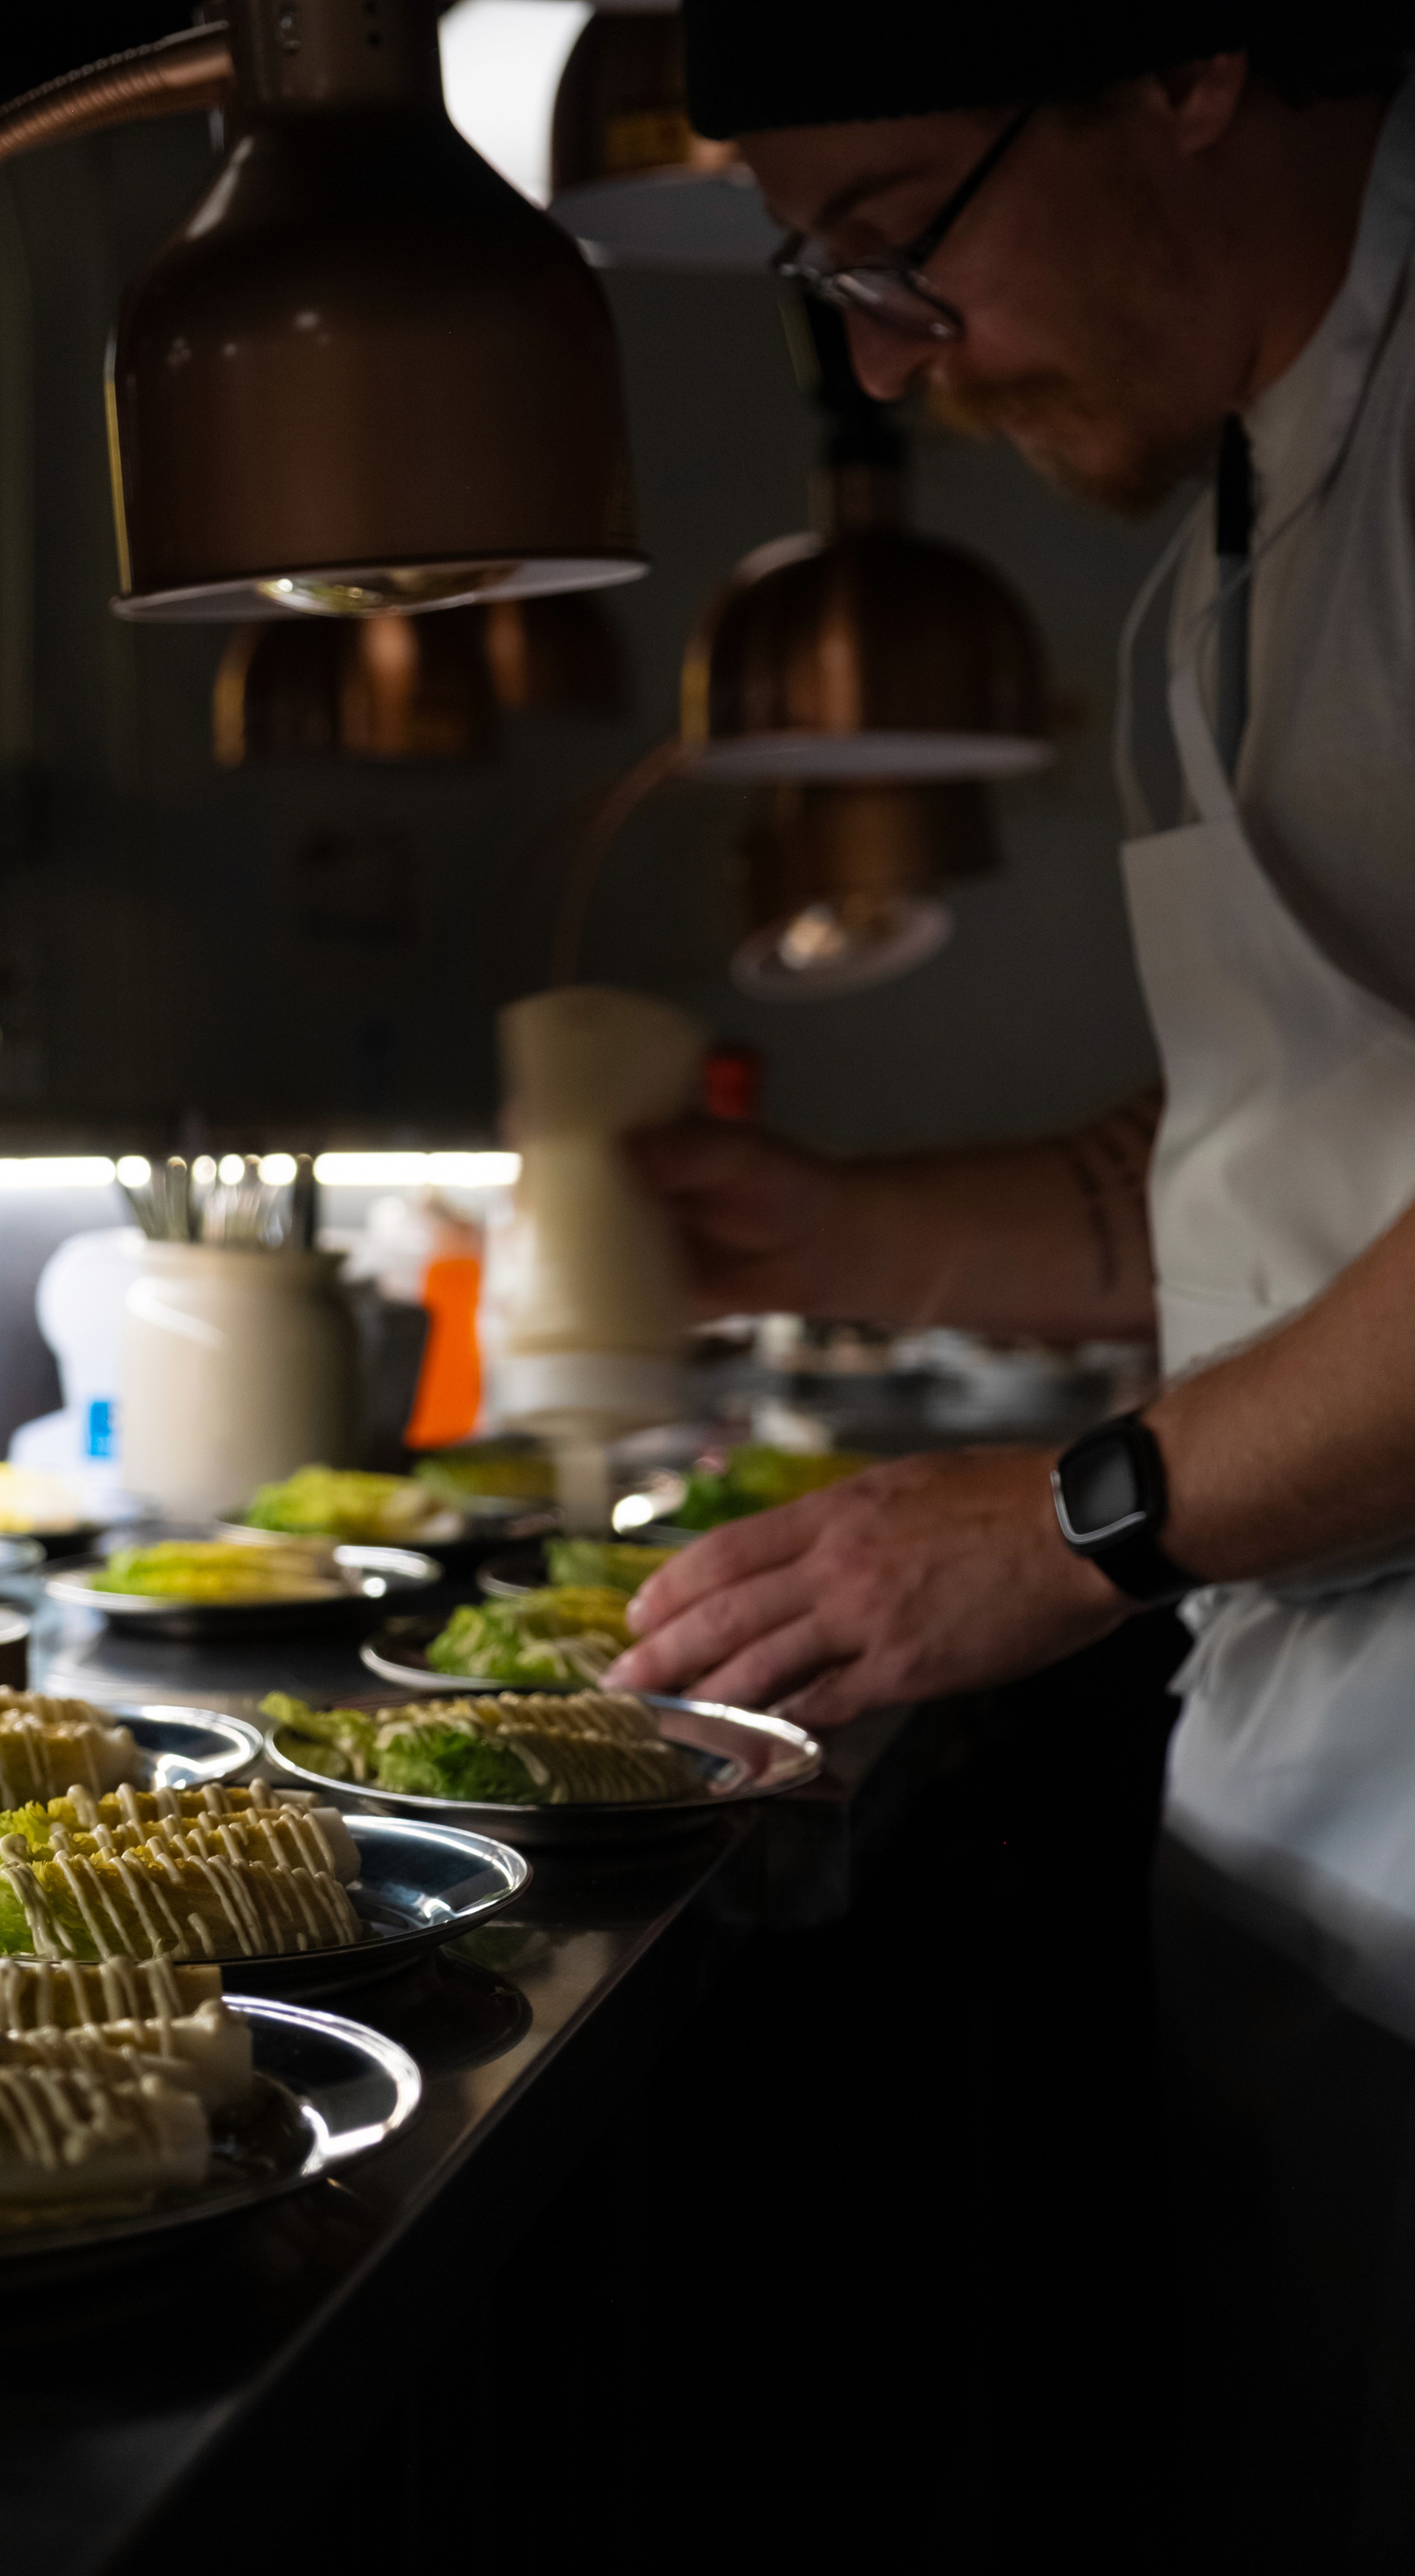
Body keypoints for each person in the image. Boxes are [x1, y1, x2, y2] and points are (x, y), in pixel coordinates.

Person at [606, 13, 1415, 2551]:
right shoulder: (1228, 551)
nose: (864, 347)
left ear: (1179, 61)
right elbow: (1284, 1172)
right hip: (1302, 1851)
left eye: (882, 232)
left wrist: (1059, 1522)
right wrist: (825, 1234)